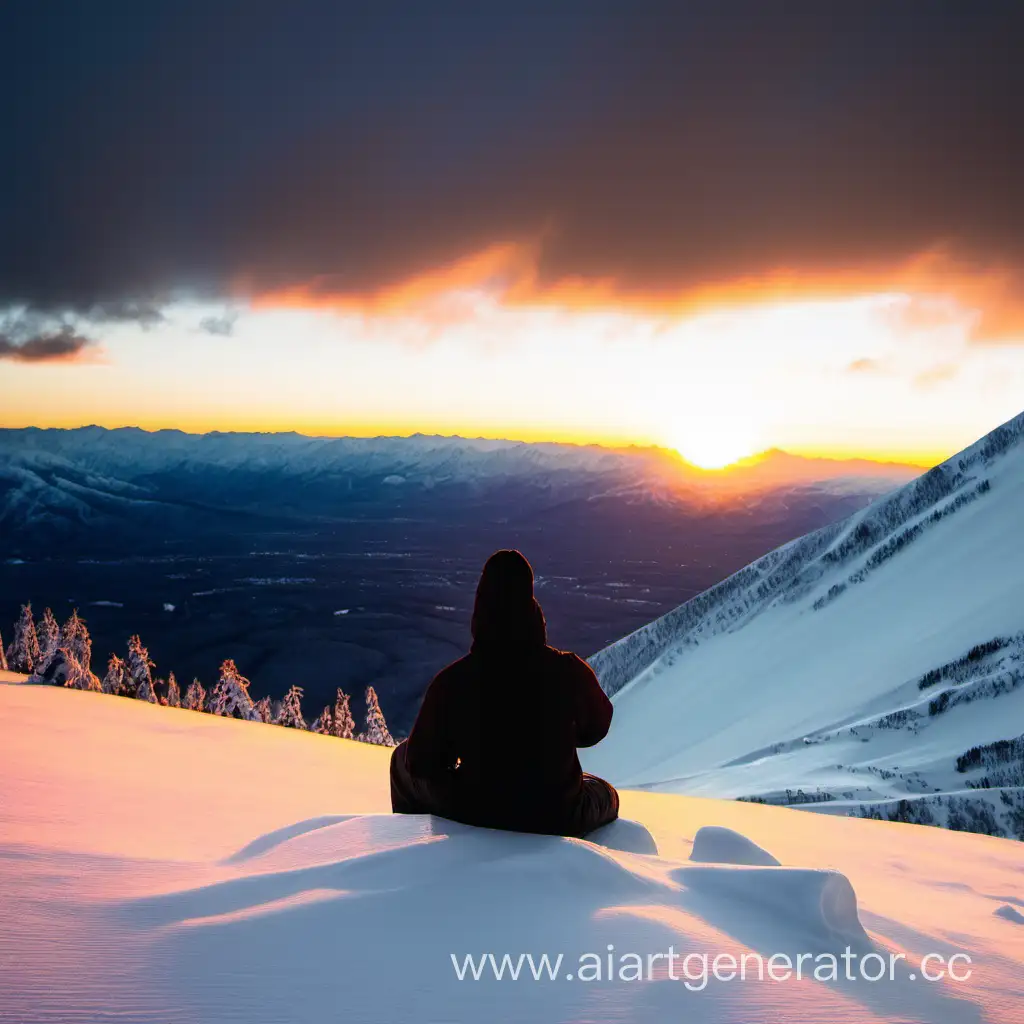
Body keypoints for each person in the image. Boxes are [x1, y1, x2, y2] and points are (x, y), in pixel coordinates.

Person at [390, 549, 619, 837]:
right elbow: (597, 728)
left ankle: (410, 851)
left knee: (400, 760)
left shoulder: (452, 682)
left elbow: (421, 762)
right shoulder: (568, 670)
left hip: (476, 812)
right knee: (604, 792)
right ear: (531, 606)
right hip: (559, 815)